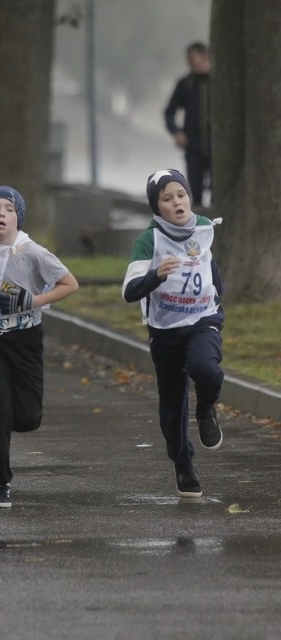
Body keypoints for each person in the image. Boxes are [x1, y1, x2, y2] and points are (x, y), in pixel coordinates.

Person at [0, 186, 78, 508]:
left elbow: (69, 284)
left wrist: (33, 300)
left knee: (27, 417)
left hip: (26, 338)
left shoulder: (32, 251)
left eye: (8, 208)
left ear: (18, 217)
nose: (1, 214)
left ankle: (5, 420)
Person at [122, 169, 224, 498]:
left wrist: (216, 302)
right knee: (171, 408)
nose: (176, 202)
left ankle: (206, 406)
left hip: (202, 319)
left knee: (206, 369)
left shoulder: (204, 228)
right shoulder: (149, 240)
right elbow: (129, 290)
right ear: (156, 207)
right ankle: (183, 463)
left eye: (181, 194)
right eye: (167, 198)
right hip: (165, 329)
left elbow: (210, 267)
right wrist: (155, 275)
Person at [164, 42, 212, 207]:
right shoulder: (185, 84)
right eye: (188, 59)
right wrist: (176, 132)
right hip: (193, 149)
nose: (190, 63)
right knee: (195, 195)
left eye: (193, 58)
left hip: (218, 150)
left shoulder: (220, 83)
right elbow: (169, 112)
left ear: (205, 57)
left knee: (218, 194)